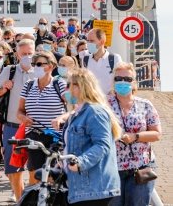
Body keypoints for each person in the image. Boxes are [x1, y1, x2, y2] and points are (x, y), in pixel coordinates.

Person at [62, 68, 122, 205]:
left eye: (70, 84)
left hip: (95, 189)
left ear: (81, 86)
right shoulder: (77, 113)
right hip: (80, 188)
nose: (67, 89)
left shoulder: (95, 112)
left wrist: (80, 162)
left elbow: (102, 145)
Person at [108, 62, 162, 206]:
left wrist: (135, 136)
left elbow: (157, 134)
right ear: (114, 82)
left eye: (127, 79)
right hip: (112, 169)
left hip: (141, 167)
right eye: (118, 79)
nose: (122, 82)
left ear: (134, 83)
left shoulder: (145, 104)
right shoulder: (104, 105)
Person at [0, 39, 36, 201]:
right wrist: (4, 87)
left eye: (30, 53)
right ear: (17, 54)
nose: (27, 57)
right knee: (13, 169)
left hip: (33, 127)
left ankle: (30, 199)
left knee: (34, 168)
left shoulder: (40, 71)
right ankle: (20, 200)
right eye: (24, 54)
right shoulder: (9, 70)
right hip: (12, 126)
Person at [16, 51, 66, 184]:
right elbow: (20, 111)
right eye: (34, 64)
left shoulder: (59, 84)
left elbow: (73, 108)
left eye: (39, 64)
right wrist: (23, 118)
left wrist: (61, 118)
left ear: (50, 66)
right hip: (33, 135)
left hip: (54, 137)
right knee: (34, 176)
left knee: (52, 176)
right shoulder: (29, 85)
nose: (35, 67)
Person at [82, 28, 122, 95]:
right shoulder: (85, 59)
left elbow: (120, 81)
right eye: (88, 41)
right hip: (92, 102)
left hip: (110, 103)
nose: (88, 44)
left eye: (91, 41)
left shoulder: (115, 58)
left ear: (102, 41)